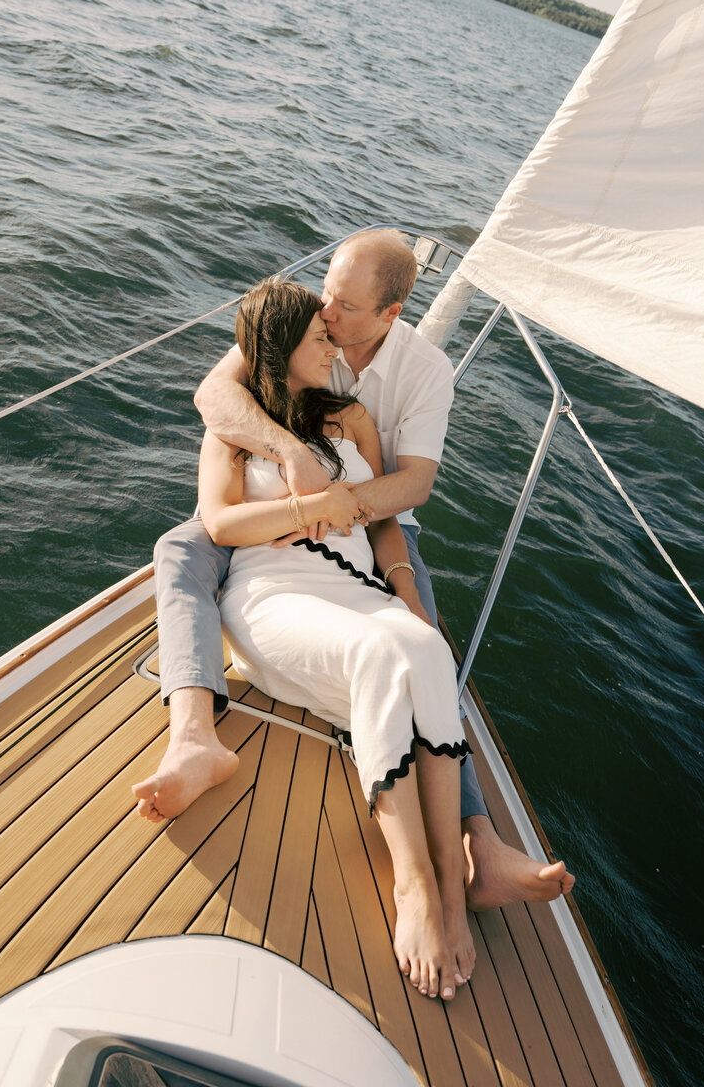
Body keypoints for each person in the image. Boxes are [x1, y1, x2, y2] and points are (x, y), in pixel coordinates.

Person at [133, 229, 574, 912]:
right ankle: (193, 736)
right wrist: (292, 463)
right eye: (325, 301)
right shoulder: (297, 321)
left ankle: (476, 838)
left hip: (369, 517)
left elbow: (413, 487)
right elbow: (215, 399)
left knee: (426, 635)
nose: (328, 315)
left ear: (390, 314)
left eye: (342, 308)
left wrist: (342, 512)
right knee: (181, 548)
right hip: (275, 532)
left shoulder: (416, 376)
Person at [198, 276, 474, 999]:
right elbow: (222, 526)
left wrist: (407, 593)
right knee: (383, 653)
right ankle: (412, 884)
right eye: (320, 338)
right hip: (272, 595)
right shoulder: (232, 429)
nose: (335, 346)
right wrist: (320, 503)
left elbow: (385, 520)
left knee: (427, 649)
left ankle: (452, 884)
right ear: (281, 346)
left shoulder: (350, 418)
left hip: (356, 587)